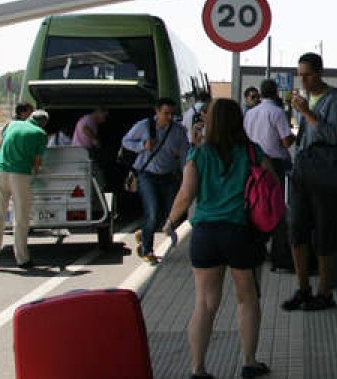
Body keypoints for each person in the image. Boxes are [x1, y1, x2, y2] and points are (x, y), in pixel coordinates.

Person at [164, 98, 275, 379]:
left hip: (205, 234)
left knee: (204, 302)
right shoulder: (252, 152)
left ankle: (197, 369)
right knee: (247, 298)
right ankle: (249, 363)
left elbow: (186, 196)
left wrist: (169, 222)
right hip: (240, 233)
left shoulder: (198, 155)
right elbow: (270, 183)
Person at [282, 52, 337, 312]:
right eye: (300, 75)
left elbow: (334, 135)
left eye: (308, 74)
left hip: (325, 176)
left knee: (324, 233)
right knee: (296, 229)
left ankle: (325, 292)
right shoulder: (306, 99)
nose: (304, 80)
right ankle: (303, 288)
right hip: (303, 173)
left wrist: (307, 113)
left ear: (320, 72)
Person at [122, 98, 190, 264]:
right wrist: (143, 145)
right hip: (147, 174)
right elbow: (125, 141)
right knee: (152, 210)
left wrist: (186, 175)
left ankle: (145, 232)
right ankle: (147, 249)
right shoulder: (144, 126)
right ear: (157, 112)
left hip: (168, 176)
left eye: (172, 114)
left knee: (169, 213)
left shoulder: (178, 131)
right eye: (165, 113)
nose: (169, 117)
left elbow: (184, 155)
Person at [0, 109, 49, 270]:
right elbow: (37, 161)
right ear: (44, 123)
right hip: (20, 176)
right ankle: (22, 259)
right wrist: (35, 174)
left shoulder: (12, 124)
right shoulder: (40, 134)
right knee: (20, 219)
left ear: (30, 117)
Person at [243, 79, 295, 271]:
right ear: (276, 93)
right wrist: (294, 136)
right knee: (276, 206)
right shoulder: (277, 112)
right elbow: (287, 142)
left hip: (251, 164)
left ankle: (255, 248)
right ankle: (279, 255)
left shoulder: (250, 113)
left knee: (254, 204)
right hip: (273, 164)